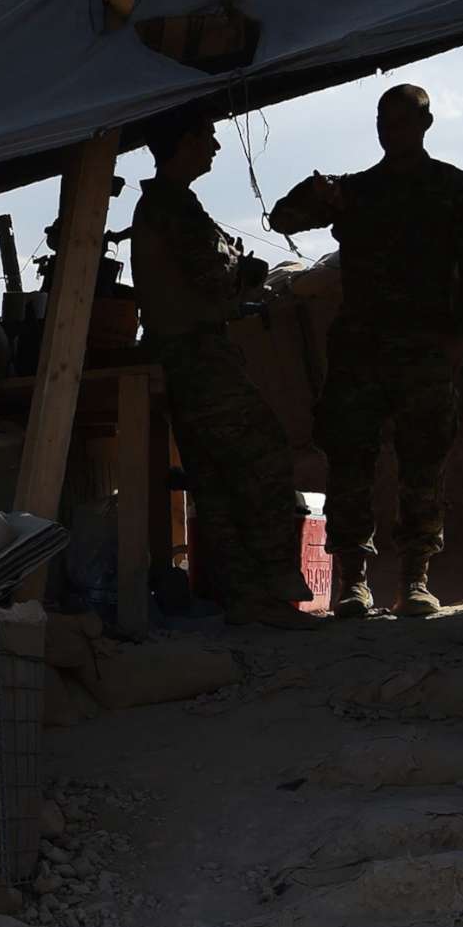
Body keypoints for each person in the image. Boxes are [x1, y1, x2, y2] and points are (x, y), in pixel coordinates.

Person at [270, 85, 463, 618]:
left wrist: (459, 345)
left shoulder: (458, 191)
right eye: (382, 122)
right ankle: (353, 581)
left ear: (425, 124)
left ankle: (415, 579)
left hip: (426, 351)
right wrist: (316, 194)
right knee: (350, 464)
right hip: (360, 352)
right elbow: (283, 219)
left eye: (400, 122)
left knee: (423, 466)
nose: (390, 132)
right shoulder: (358, 191)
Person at [128, 111, 319, 628]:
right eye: (205, 134)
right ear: (182, 142)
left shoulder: (165, 205)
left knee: (215, 479)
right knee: (261, 461)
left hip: (184, 356)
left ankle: (246, 599)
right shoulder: (172, 208)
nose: (214, 145)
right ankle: (271, 589)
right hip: (199, 356)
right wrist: (249, 275)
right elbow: (216, 281)